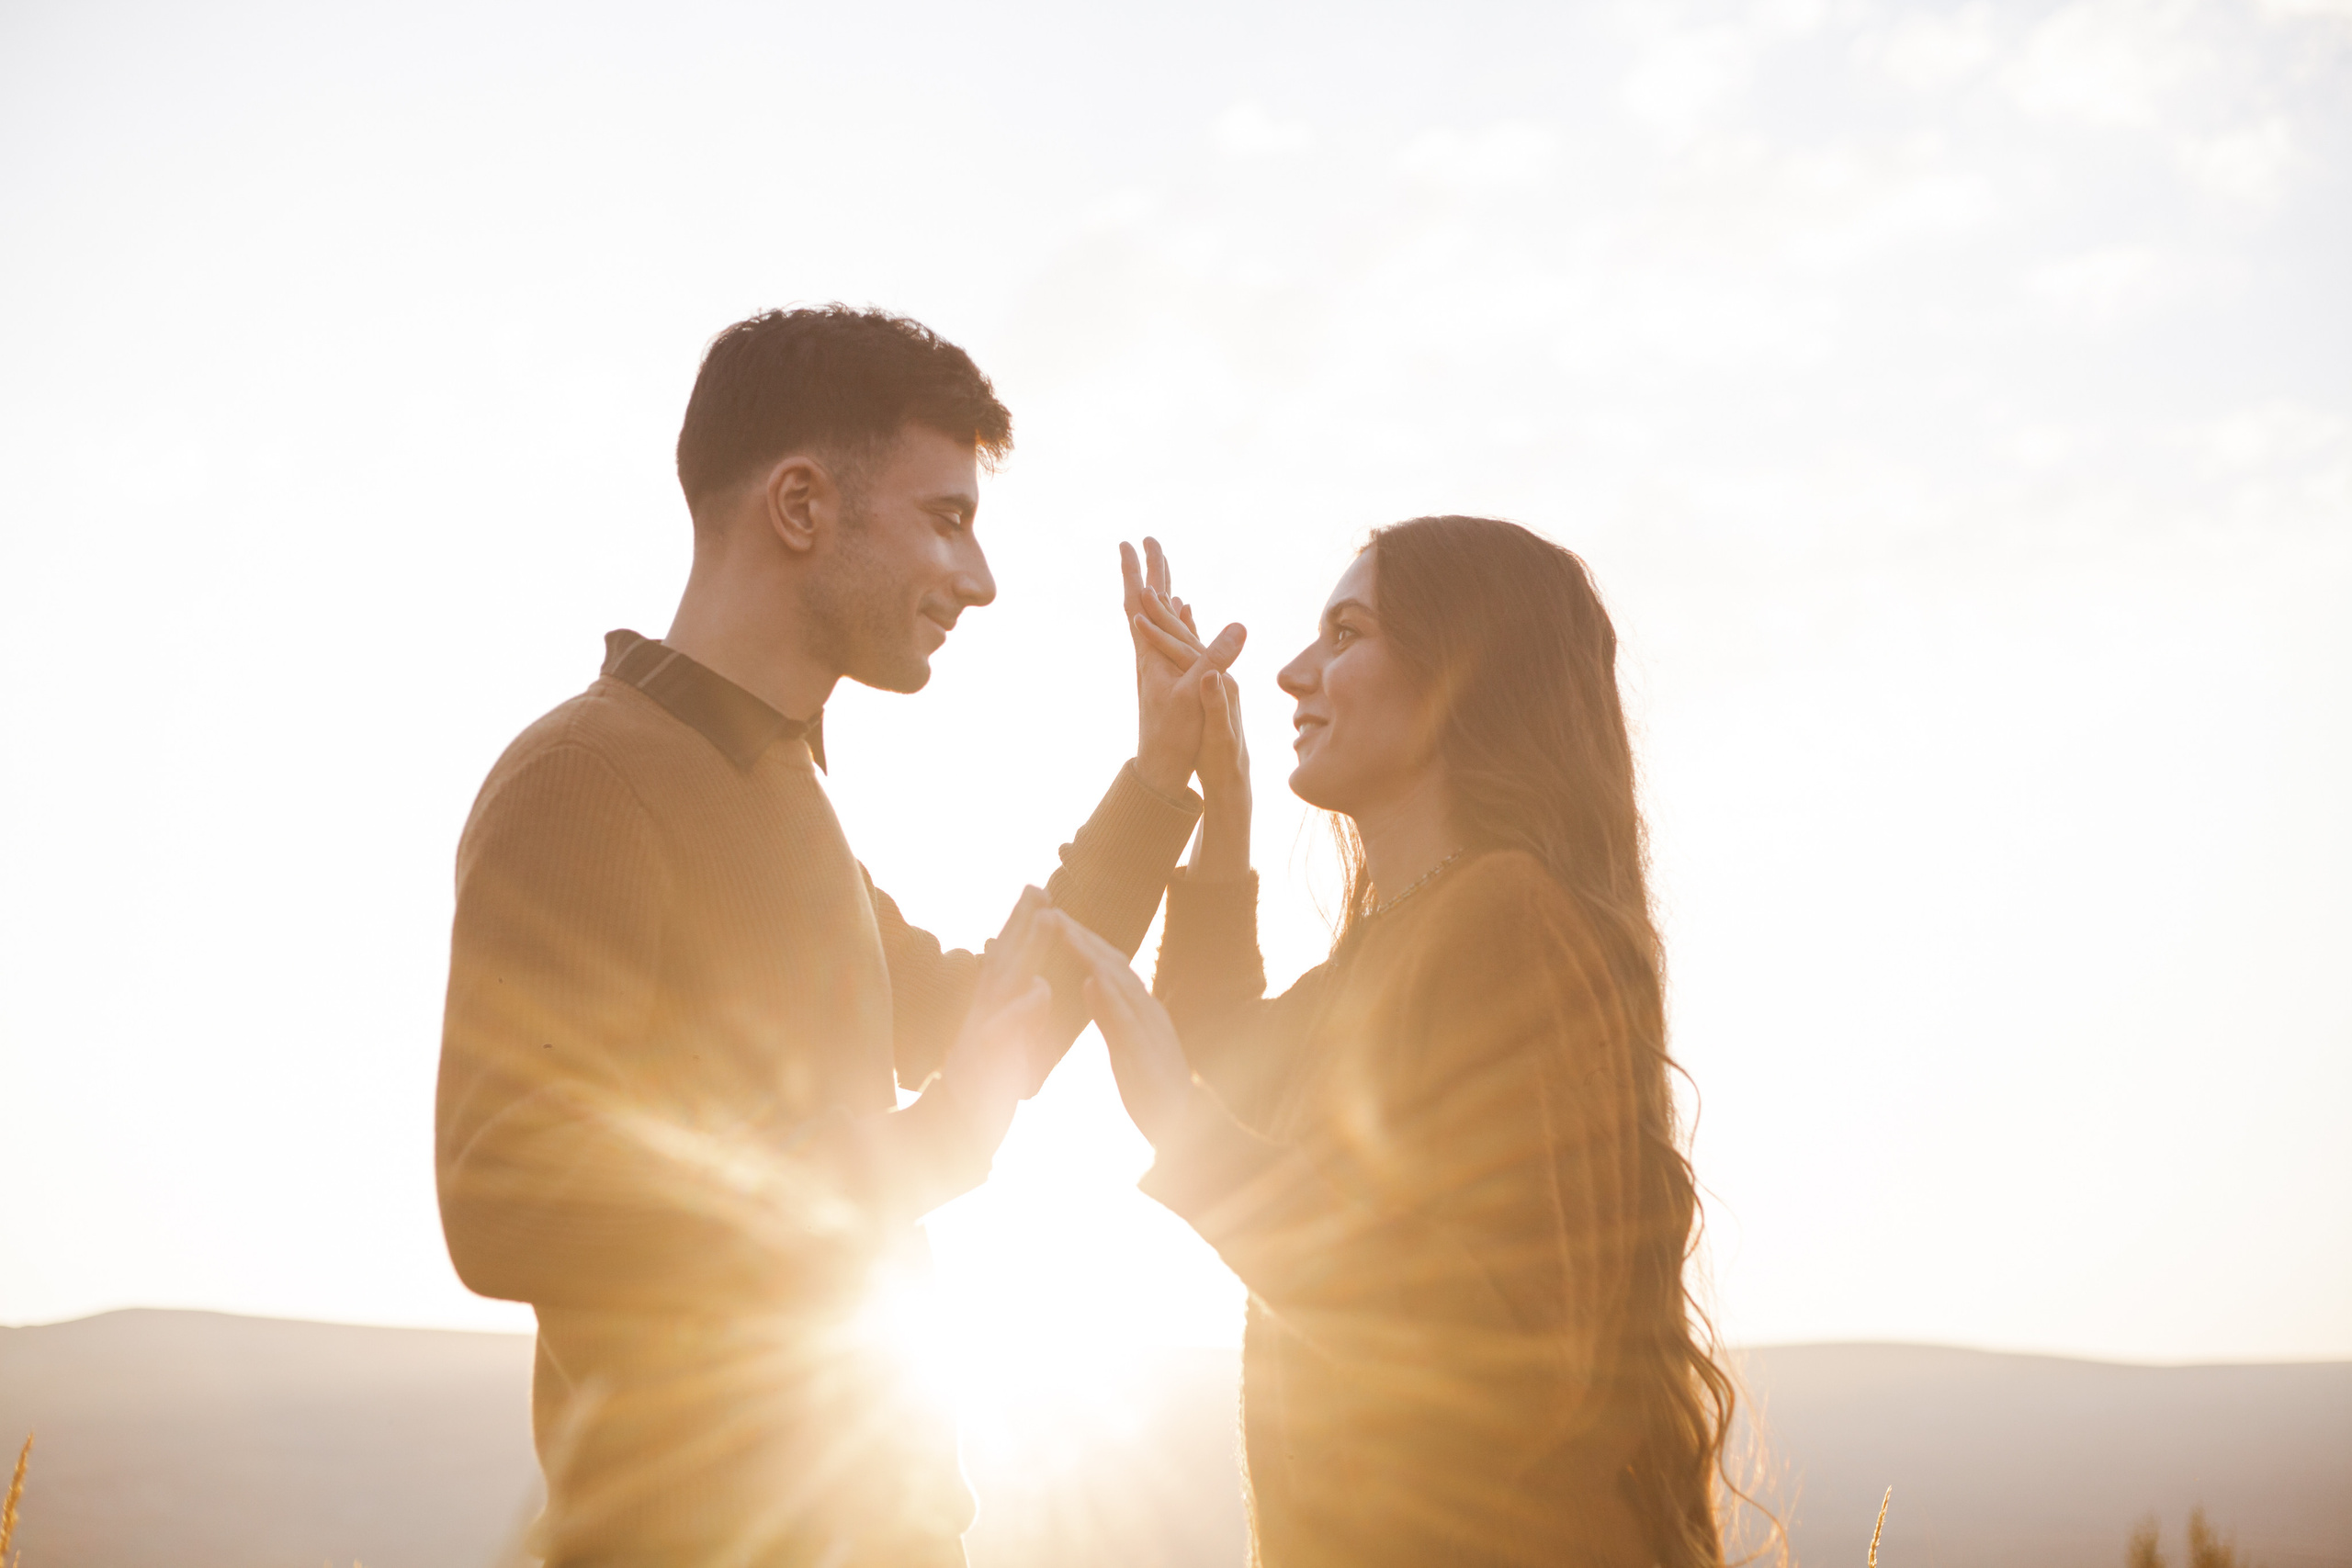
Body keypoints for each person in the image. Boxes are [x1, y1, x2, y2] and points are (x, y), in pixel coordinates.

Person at [433, 305, 1241, 1568]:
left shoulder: (774, 788)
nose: (978, 578)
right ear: (801, 506)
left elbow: (987, 1017)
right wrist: (931, 1144)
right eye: (947, 517)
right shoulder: (584, 777)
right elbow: (505, 1196)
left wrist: (1154, 782)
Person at [1052, 514, 1741, 1568]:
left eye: (1345, 634)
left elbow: (1507, 1350)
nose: (1291, 673)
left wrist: (1190, 1132)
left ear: (1460, 673)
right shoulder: (1396, 943)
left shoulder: (1506, 916)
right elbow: (1221, 1067)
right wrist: (1222, 797)